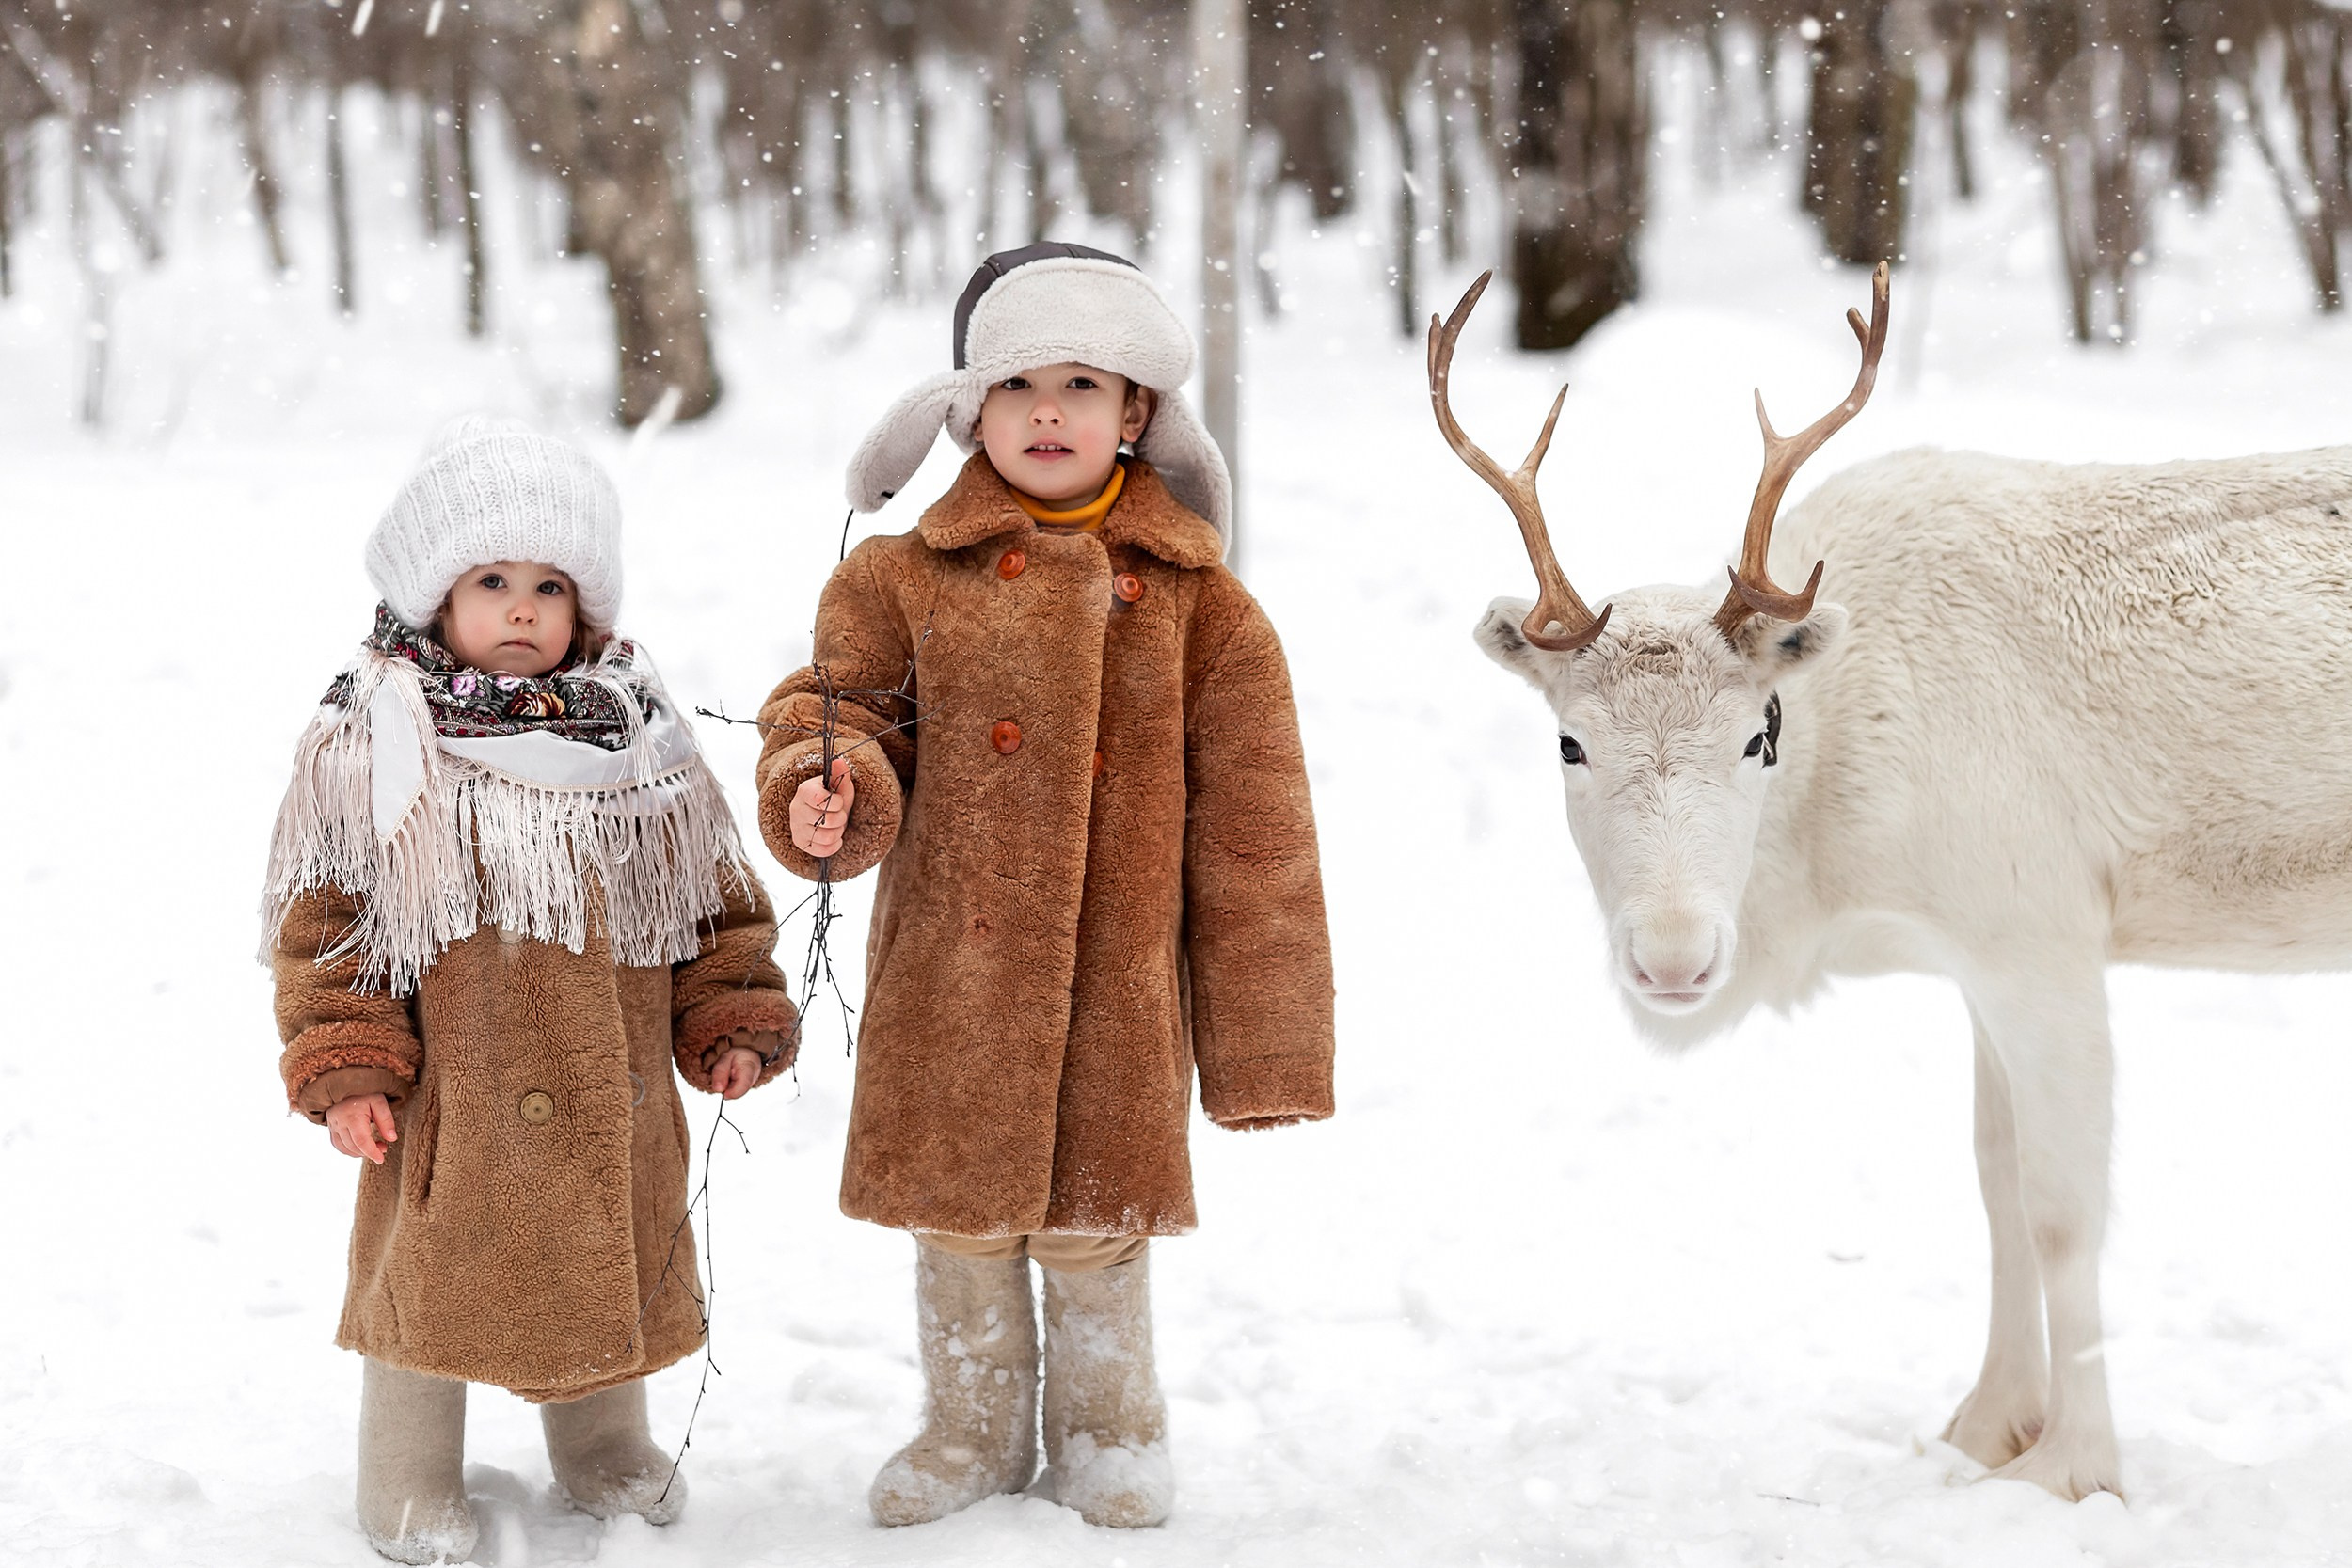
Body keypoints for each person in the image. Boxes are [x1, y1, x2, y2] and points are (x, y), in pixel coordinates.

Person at [755, 243, 1336, 1529]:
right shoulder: (898, 579)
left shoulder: (1204, 609)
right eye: (1020, 383)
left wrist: (1266, 1047)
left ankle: (1107, 1425)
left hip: (1114, 991)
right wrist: (829, 784)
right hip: (954, 977)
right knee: (957, 1218)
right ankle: (966, 1428)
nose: (1052, 411)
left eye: (1085, 382)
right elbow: (839, 711)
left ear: (1137, 412)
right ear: (970, 407)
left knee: (1093, 1225)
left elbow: (1259, 842)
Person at [262, 416, 799, 1564]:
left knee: (604, 1258)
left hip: (608, 1082)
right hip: (454, 1095)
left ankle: (602, 1441)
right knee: (433, 1280)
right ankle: (405, 1468)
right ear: (433, 596)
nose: (521, 609)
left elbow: (710, 902)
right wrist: (347, 1060)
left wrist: (727, 1011)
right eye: (491, 579)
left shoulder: (639, 747)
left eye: (549, 584)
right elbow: (331, 925)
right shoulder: (373, 745)